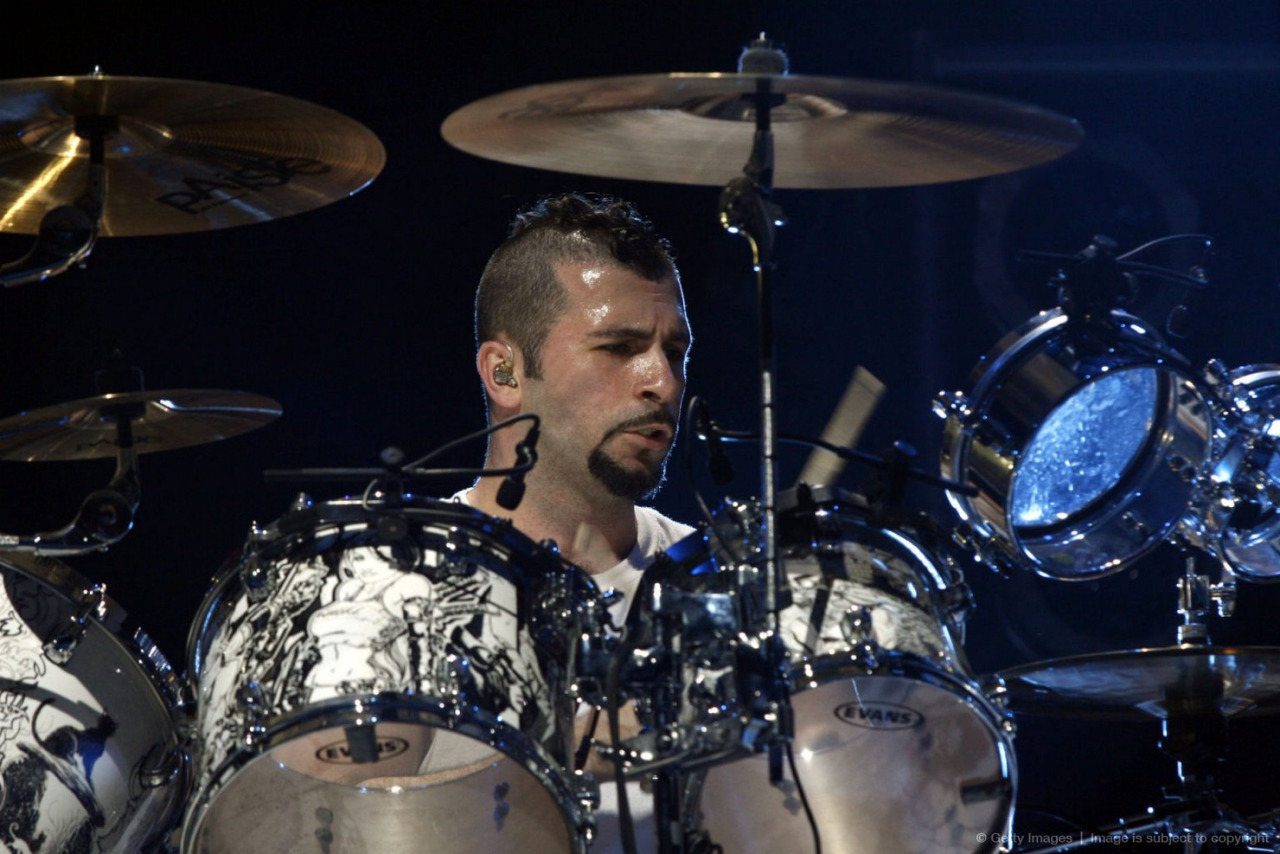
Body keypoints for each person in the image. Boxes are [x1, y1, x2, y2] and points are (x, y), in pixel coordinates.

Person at [455, 191, 695, 851]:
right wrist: (552, 756)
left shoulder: (720, 590)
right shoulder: (397, 586)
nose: (663, 382)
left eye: (674, 351)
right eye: (619, 347)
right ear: (505, 372)